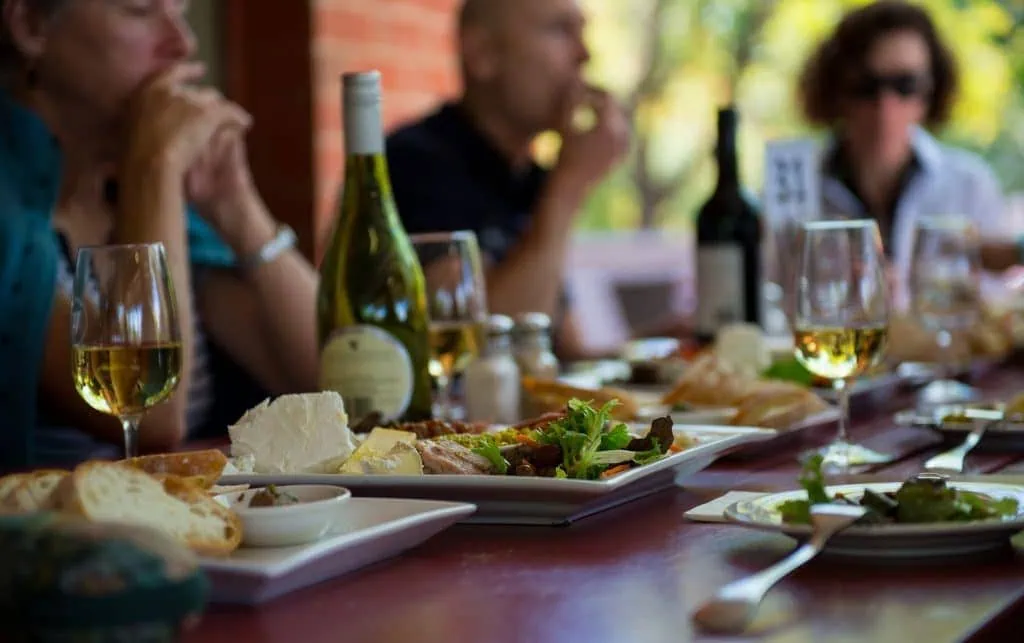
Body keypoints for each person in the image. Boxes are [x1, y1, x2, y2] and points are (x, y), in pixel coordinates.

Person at [0, 0, 320, 469]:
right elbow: (146, 412)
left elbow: (347, 384)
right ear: (29, 25)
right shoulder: (20, 210)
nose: (183, 42)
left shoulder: (161, 200)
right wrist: (156, 166)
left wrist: (238, 209)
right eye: (142, 10)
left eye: (181, 11)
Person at [386, 0, 631, 361]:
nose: (584, 55)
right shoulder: (416, 163)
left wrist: (663, 350)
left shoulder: (529, 178)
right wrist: (569, 187)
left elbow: (564, 348)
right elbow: (478, 354)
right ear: (483, 52)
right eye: (560, 30)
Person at [795, 0, 1008, 302]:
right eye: (866, 86)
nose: (886, 106)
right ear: (836, 90)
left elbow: (993, 317)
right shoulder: (794, 193)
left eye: (905, 85)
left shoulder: (970, 187)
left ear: (931, 92)